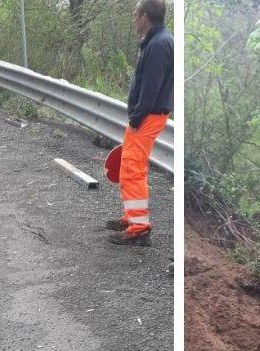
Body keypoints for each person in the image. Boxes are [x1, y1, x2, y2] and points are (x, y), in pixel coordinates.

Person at [106, 0, 173, 246]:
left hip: (147, 115)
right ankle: (131, 217)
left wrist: (136, 117)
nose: (133, 18)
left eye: (135, 14)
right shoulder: (157, 40)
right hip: (148, 114)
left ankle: (139, 228)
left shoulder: (158, 44)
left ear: (145, 16)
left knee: (132, 169)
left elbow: (150, 88)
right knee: (131, 166)